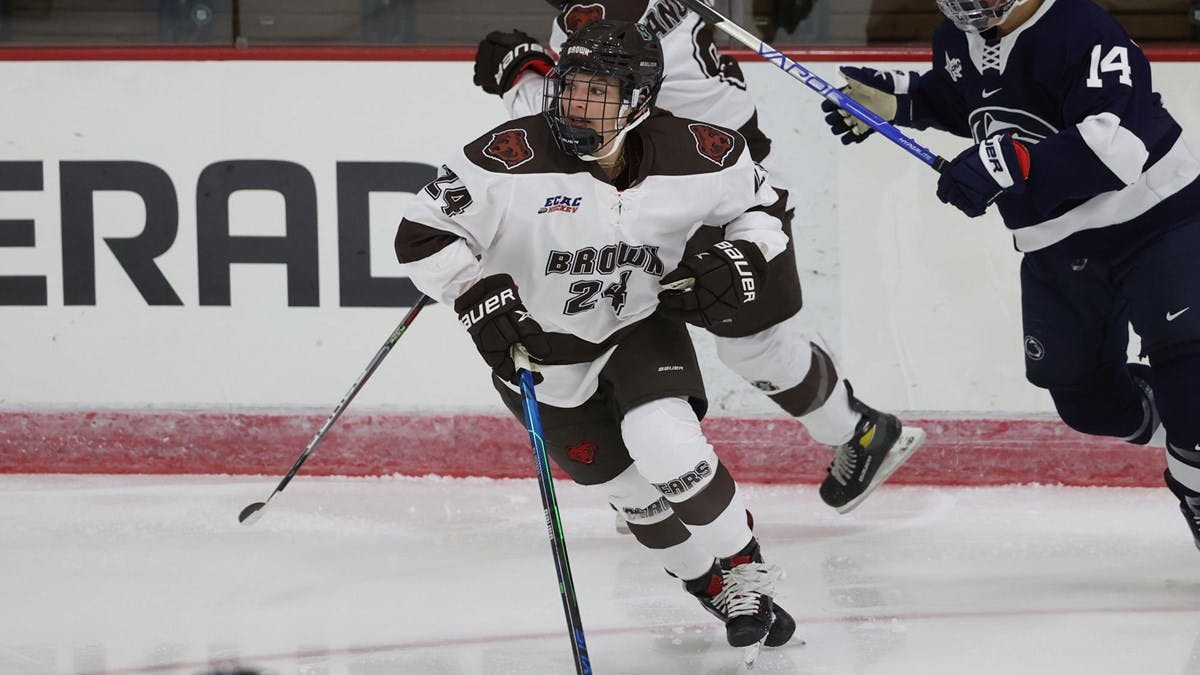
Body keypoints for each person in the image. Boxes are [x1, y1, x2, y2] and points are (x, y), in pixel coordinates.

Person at [395, 20, 800, 652]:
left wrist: (744, 254)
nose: (576, 105)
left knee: (661, 438)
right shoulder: (507, 158)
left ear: (639, 97)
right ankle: (707, 584)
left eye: (598, 92)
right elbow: (421, 234)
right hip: (538, 355)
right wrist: (474, 293)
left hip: (637, 325)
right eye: (570, 87)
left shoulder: (702, 152)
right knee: (632, 494)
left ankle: (744, 568)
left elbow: (763, 208)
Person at [472, 0, 926, 516]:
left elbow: (578, 123)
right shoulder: (599, 13)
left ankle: (862, 432)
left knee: (751, 348)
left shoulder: (607, 15)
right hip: (658, 193)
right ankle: (660, 474)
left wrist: (522, 77)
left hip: (725, 196)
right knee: (619, 329)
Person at [822, 0, 1200, 549]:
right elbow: (969, 102)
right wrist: (901, 103)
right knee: (1085, 401)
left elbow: (1118, 144)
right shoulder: (955, 40)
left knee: (1189, 372)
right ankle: (1188, 429)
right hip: (1057, 244)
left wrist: (1008, 163)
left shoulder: (1081, 27)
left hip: (1159, 219)